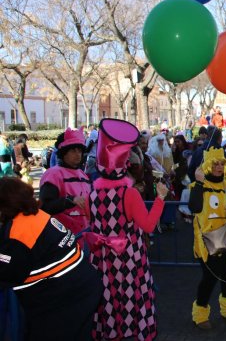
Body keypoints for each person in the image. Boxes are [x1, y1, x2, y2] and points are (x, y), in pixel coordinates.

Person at [88, 119, 167, 341]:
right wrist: (160, 198)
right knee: (135, 296)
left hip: (103, 259)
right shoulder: (129, 193)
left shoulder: (91, 194)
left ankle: (112, 332)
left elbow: (92, 224)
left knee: (109, 298)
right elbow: (148, 225)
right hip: (130, 257)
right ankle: (138, 331)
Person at [0, 177, 101, 341]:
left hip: (62, 300)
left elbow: (9, 273)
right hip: (84, 285)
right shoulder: (36, 214)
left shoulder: (17, 233)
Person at [189, 147, 226, 329]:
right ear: (207, 166)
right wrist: (198, 183)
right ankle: (200, 313)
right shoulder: (200, 186)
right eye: (215, 164)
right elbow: (195, 207)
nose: (219, 167)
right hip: (207, 242)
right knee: (210, 278)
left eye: (222, 163)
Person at [39, 128, 91, 238]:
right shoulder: (53, 175)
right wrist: (70, 200)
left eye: (79, 151)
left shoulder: (83, 174)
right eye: (73, 151)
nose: (78, 154)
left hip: (85, 235)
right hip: (61, 238)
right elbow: (45, 206)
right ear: (64, 153)